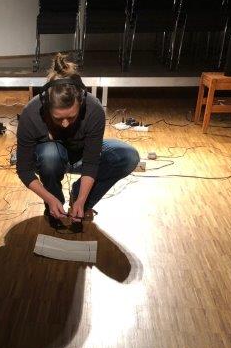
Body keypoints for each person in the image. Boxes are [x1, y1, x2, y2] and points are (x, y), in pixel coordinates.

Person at [16, 53, 140, 230]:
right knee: (49, 155)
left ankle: (80, 201)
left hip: (82, 157)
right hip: (50, 161)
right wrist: (49, 198)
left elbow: (91, 162)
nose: (65, 124)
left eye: (71, 117)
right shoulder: (31, 114)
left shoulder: (94, 109)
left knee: (128, 156)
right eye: (58, 118)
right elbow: (24, 169)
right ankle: (55, 205)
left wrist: (82, 199)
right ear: (46, 105)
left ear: (81, 103)